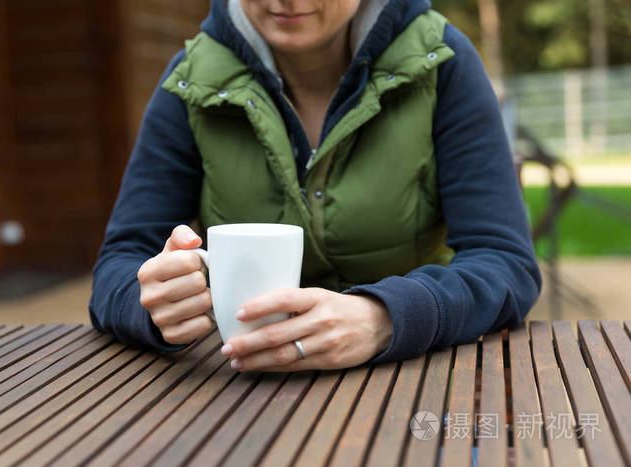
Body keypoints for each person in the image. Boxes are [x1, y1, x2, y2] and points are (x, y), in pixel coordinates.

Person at [89, 0, 542, 372]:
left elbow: (505, 263)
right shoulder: (193, 76)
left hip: (420, 374)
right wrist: (149, 304)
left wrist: (384, 317)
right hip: (239, 388)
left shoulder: (441, 60)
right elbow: (120, 262)